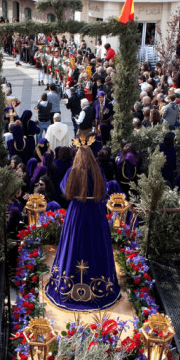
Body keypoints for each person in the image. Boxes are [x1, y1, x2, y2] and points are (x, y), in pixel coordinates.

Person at [44, 134, 120, 312]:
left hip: (76, 212)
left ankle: (67, 286)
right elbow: (105, 190)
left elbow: (63, 189)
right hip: (95, 212)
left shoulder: (72, 171)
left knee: (73, 244)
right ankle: (101, 288)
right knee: (96, 245)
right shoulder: (98, 171)